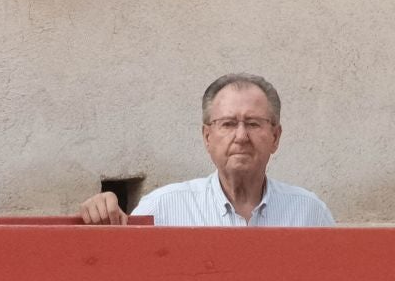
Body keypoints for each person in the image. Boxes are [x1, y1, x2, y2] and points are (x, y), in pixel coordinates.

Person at [78, 73, 332, 227]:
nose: (241, 136)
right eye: (229, 124)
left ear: (275, 137)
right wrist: (102, 217)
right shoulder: (163, 209)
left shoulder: (309, 212)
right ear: (207, 136)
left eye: (253, 124)